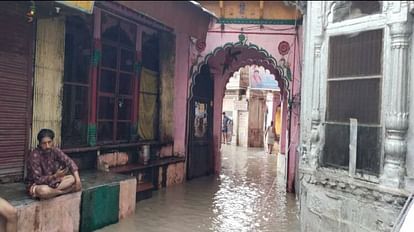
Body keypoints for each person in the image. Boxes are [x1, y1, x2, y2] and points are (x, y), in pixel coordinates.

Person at [26, 129, 82, 200]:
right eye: (44, 143)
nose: (47, 146)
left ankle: (52, 193)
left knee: (72, 178)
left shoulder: (55, 150)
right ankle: (62, 192)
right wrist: (55, 176)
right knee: (43, 191)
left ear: (53, 141)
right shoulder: (34, 155)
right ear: (39, 144)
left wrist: (78, 180)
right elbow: (38, 179)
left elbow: (69, 162)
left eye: (49, 142)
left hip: (54, 183)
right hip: (38, 185)